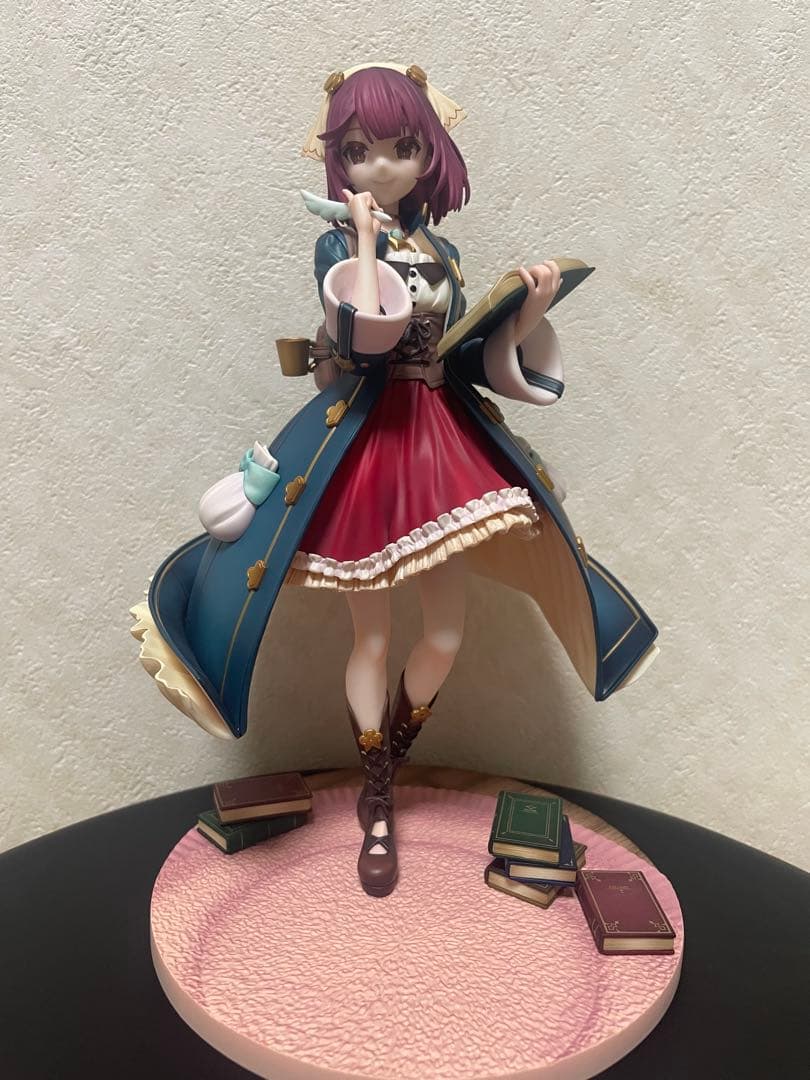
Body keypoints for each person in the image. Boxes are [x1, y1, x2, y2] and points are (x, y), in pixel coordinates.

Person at [131, 63, 658, 899]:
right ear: (338, 160)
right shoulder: (335, 245)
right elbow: (363, 336)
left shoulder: (443, 250)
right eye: (358, 149)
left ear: (428, 154)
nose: (380, 165)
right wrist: (366, 242)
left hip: (439, 442)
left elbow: (466, 355)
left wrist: (525, 311)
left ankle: (392, 758)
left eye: (401, 146)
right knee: (370, 636)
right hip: (367, 447)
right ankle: (377, 796)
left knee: (446, 629)